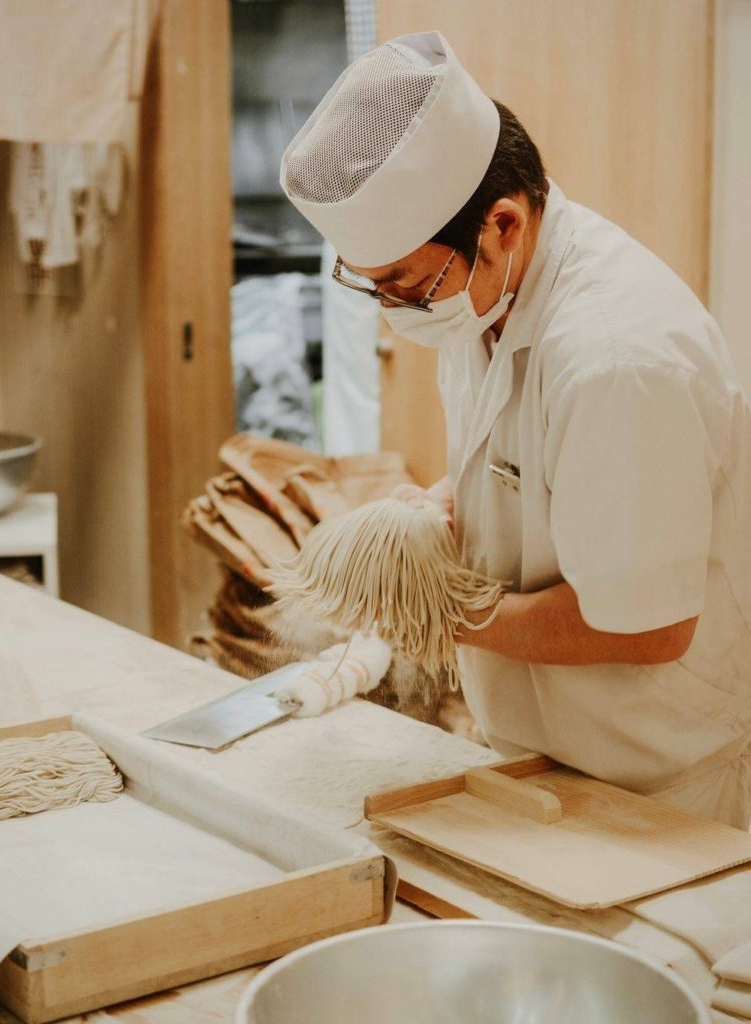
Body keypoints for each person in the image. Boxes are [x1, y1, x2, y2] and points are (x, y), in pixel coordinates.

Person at [279, 30, 751, 828]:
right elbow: (524, 469)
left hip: (659, 782)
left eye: (403, 283)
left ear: (501, 224)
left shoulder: (616, 358)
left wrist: (439, 610)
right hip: (540, 757)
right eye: (373, 288)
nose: (395, 311)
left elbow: (649, 627)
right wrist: (438, 509)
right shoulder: (481, 295)